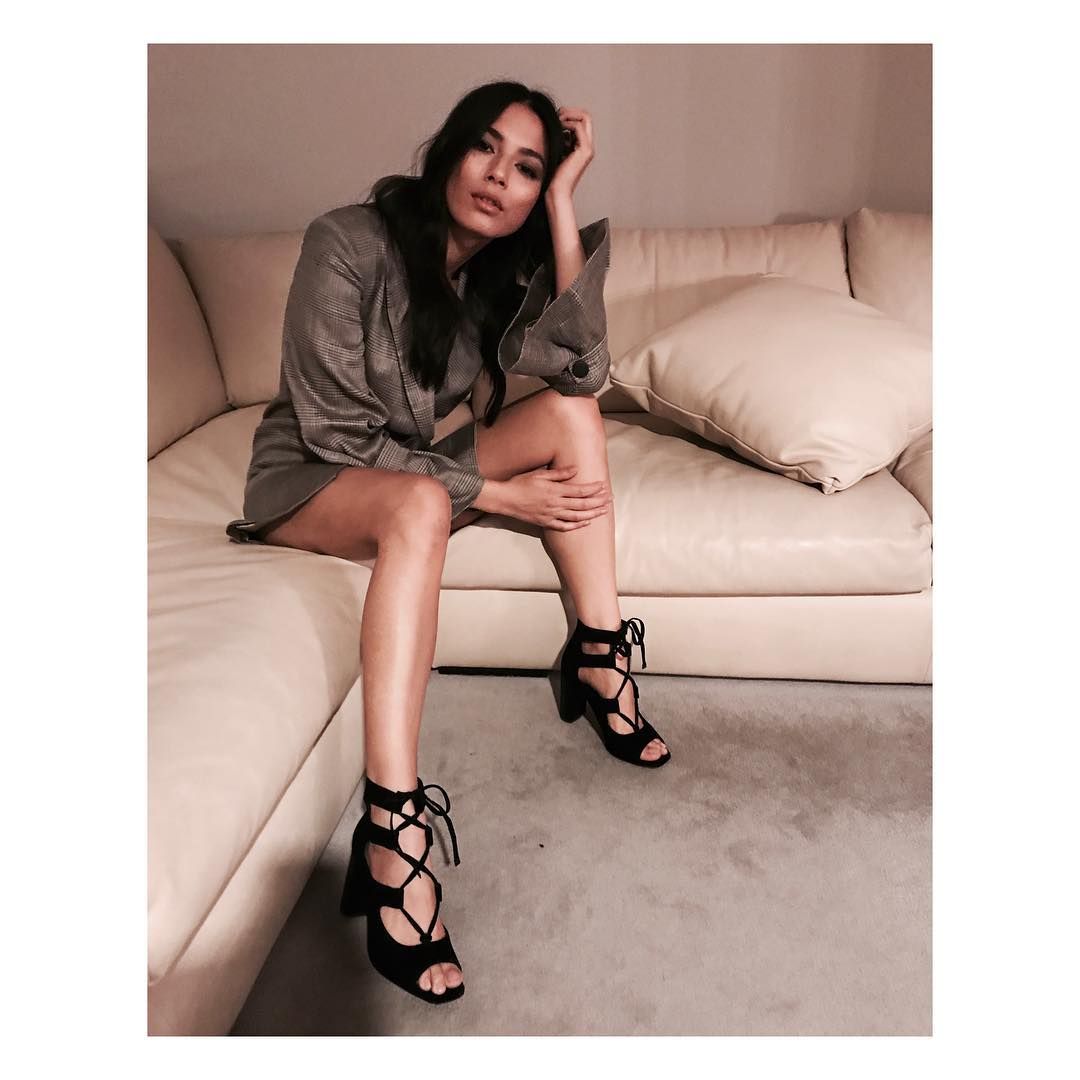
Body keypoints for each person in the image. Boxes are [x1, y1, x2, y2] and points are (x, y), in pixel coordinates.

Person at [225, 80, 671, 1006]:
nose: (500, 177)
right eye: (486, 148)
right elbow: (337, 436)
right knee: (423, 507)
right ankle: (392, 830)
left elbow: (585, 368)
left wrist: (564, 204)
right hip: (309, 477)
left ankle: (597, 658)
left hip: (409, 472)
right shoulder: (346, 242)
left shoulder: (498, 275)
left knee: (572, 415)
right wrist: (496, 492)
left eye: (528, 169)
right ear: (447, 152)